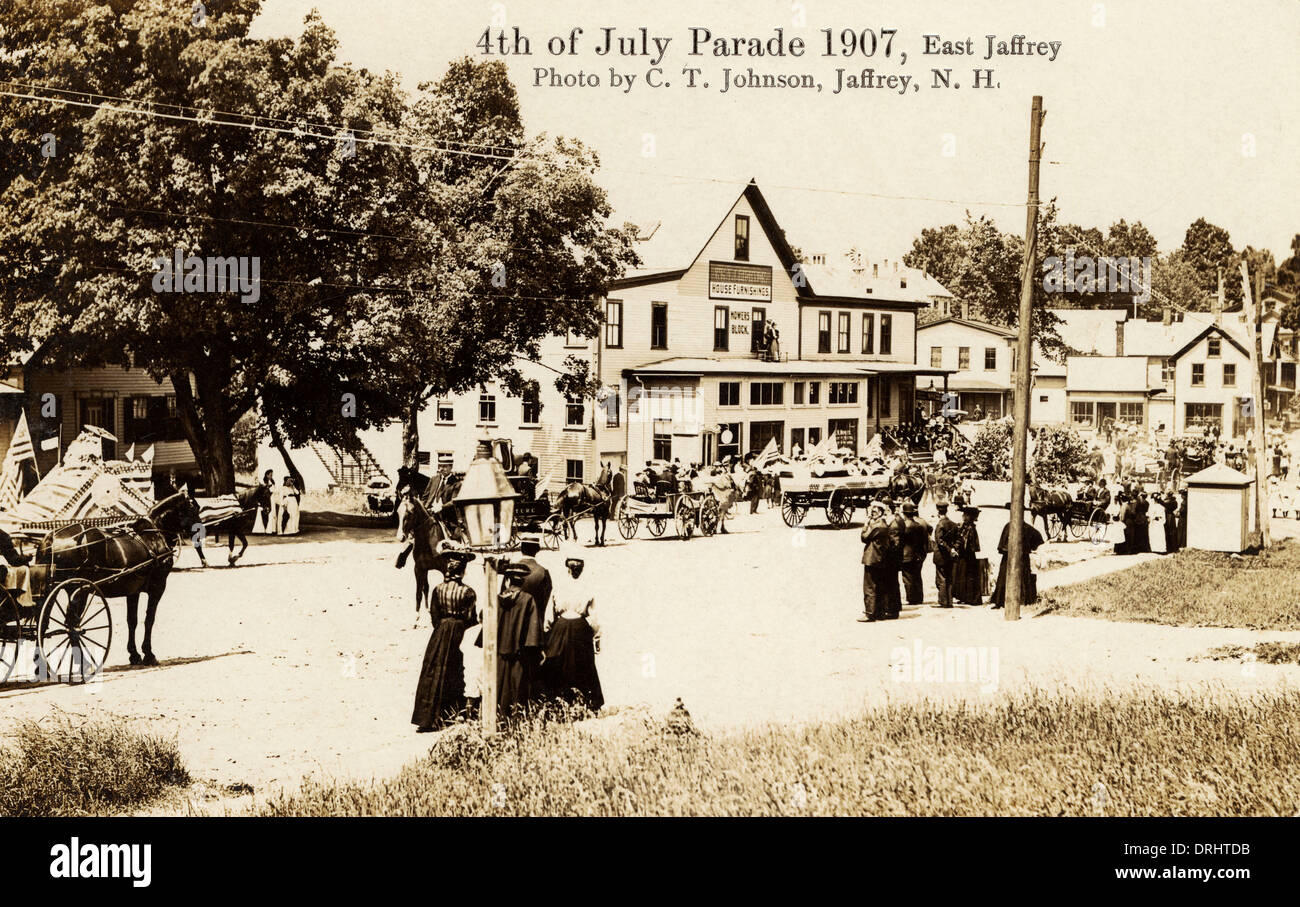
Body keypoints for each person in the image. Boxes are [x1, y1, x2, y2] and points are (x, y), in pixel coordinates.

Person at [411, 547, 477, 732]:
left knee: (433, 670)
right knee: (455, 671)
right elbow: (470, 618)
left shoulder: (438, 589)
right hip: (458, 631)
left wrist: (441, 629)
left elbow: (434, 615)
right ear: (462, 571)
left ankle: (427, 717)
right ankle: (452, 713)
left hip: (440, 632)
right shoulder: (468, 592)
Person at [542, 557, 603, 712]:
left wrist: (548, 632)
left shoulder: (559, 587)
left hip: (561, 626)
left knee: (558, 663)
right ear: (580, 569)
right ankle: (585, 703)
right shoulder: (588, 587)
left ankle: (559, 702)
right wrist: (596, 636)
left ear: (567, 569)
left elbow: (549, 616)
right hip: (579, 627)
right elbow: (594, 617)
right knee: (583, 664)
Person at [495, 560, 546, 720]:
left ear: (508, 580)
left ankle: (499, 718)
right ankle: (517, 720)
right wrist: (538, 650)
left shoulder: (497, 599)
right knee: (518, 686)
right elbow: (533, 630)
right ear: (523, 581)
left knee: (500, 685)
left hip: (500, 651)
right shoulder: (528, 599)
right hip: (520, 653)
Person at [990, 516, 1045, 608]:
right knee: (1004, 578)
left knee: (1021, 577)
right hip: (1010, 557)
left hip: (1019, 558)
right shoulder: (1012, 526)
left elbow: (1038, 540)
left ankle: (1018, 601)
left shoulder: (1022, 527)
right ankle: (1001, 601)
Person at [859, 502, 893, 622]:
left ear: (880, 512)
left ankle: (870, 613)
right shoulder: (884, 525)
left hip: (871, 559)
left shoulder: (877, 526)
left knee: (869, 587)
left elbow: (864, 537)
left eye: (874, 511)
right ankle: (880, 612)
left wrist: (865, 525)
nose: (872, 514)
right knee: (879, 586)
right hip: (880, 559)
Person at [899, 501, 931, 606]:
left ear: (904, 513)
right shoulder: (918, 525)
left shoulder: (903, 526)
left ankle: (911, 598)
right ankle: (919, 597)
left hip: (906, 555)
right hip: (918, 556)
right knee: (917, 576)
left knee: (907, 578)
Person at [950, 504, 983, 605]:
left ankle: (969, 598)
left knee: (967, 576)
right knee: (963, 576)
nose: (963, 516)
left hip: (967, 556)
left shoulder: (969, 528)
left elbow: (967, 544)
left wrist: (956, 548)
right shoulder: (967, 527)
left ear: (969, 517)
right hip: (966, 556)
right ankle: (964, 597)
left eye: (965, 514)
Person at [517, 536, 553, 622]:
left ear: (521, 549)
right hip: (535, 618)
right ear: (537, 550)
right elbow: (546, 598)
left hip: (515, 618)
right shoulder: (543, 572)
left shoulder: (511, 569)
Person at [931, 502, 958, 608]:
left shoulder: (940, 525)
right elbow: (958, 539)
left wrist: (949, 549)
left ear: (938, 512)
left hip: (941, 556)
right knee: (949, 578)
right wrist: (953, 549)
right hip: (950, 556)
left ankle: (943, 601)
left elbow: (940, 541)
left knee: (941, 579)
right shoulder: (953, 524)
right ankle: (949, 601)